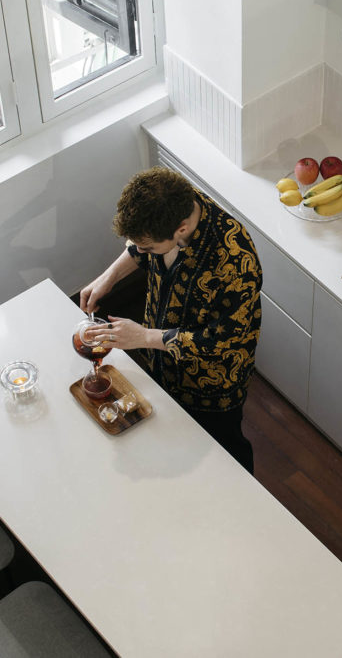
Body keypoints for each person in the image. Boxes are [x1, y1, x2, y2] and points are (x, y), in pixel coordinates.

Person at [80, 167, 262, 473]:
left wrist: (144, 337)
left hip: (211, 384)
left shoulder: (235, 261)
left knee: (227, 451)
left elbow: (219, 342)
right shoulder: (173, 202)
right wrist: (109, 277)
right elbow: (140, 247)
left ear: (181, 229)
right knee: (175, 440)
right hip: (162, 360)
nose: (141, 252)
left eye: (148, 248)